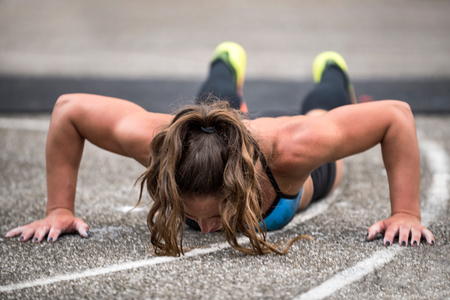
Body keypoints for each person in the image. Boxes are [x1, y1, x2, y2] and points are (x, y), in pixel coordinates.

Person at [4, 42, 435, 256]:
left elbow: (395, 116)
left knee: (324, 111)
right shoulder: (159, 145)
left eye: (215, 214)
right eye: (191, 214)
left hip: (288, 157)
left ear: (242, 182)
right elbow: (69, 110)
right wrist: (59, 208)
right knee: (211, 105)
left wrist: (405, 213)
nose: (205, 231)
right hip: (214, 130)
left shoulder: (292, 149)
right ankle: (226, 62)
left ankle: (334, 69)